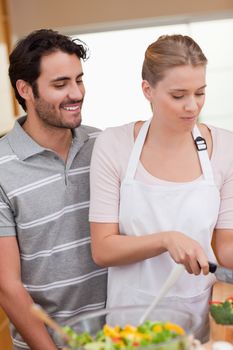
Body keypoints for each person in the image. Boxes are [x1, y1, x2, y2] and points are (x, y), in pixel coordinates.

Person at [89, 34, 233, 343]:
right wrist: (166, 239)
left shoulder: (225, 147)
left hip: (197, 324)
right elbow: (103, 249)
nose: (192, 106)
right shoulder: (113, 145)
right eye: (178, 95)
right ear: (148, 90)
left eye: (200, 93)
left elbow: (224, 248)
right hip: (130, 327)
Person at [0, 29, 107, 350]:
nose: (76, 93)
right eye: (60, 85)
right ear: (25, 90)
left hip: (117, 337)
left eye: (79, 79)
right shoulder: (2, 168)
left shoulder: (101, 146)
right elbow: (7, 285)